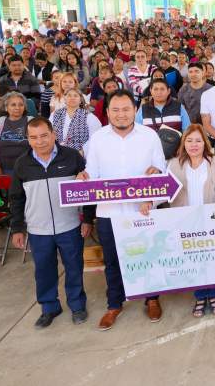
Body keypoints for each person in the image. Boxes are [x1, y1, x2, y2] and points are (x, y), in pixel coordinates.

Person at [78, 89, 167, 330]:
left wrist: (156, 176)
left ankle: (151, 299)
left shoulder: (149, 137)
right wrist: (85, 177)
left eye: (126, 109)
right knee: (113, 260)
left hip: (142, 211)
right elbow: (92, 173)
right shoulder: (97, 139)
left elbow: (160, 170)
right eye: (115, 110)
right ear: (107, 112)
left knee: (147, 256)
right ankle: (114, 303)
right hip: (109, 212)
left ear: (135, 110)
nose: (121, 114)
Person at [9, 117, 94, 329]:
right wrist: (18, 228)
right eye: (34, 137)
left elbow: (88, 189)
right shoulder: (22, 164)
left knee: (74, 267)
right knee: (44, 271)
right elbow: (16, 198)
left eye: (44, 135)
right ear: (28, 140)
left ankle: (77, 305)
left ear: (54, 134)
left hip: (70, 226)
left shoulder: (72, 157)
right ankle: (49, 307)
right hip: (38, 229)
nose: (40, 141)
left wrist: (88, 219)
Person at [167, 124, 215, 318]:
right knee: (194, 259)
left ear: (204, 143)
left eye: (198, 140)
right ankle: (200, 296)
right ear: (184, 143)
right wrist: (149, 202)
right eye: (189, 141)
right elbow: (164, 191)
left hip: (211, 219)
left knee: (211, 258)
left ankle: (213, 294)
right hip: (186, 221)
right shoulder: (174, 164)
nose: (194, 144)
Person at [0, 92, 32, 176]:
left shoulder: (30, 121)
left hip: (27, 168)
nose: (17, 108)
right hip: (5, 168)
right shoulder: (0, 121)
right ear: (6, 107)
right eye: (13, 105)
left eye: (21, 105)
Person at [50, 88, 101, 153]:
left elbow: (95, 138)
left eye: (75, 96)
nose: (72, 98)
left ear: (80, 100)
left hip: (79, 154)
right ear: (65, 99)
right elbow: (49, 132)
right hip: (57, 152)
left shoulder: (89, 117)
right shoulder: (55, 114)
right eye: (69, 95)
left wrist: (83, 151)